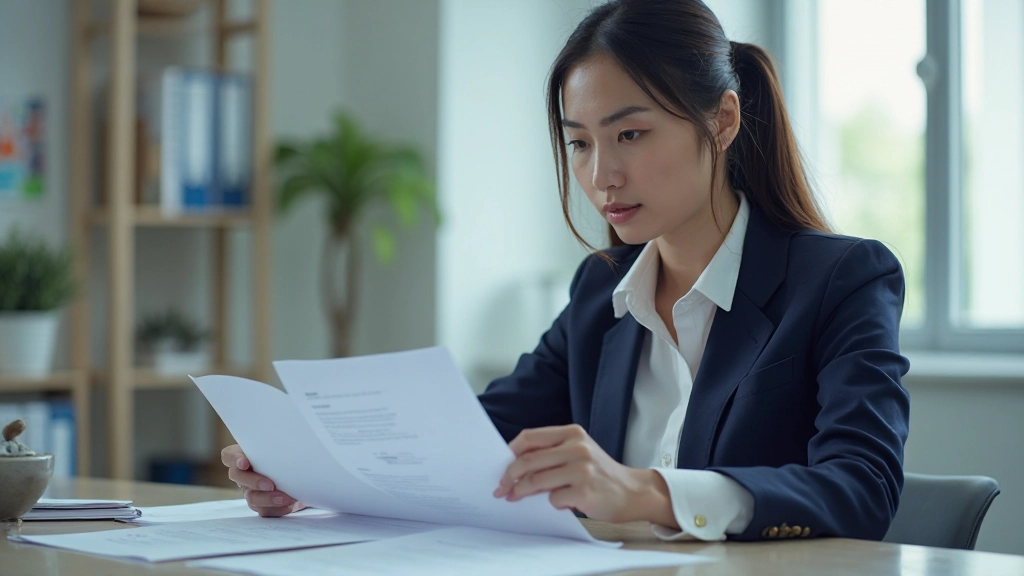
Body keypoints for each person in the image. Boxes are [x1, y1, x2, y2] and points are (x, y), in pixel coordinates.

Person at [222, 0, 910, 542]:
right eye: (579, 143)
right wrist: (319, 475)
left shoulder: (842, 279)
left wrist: (646, 493)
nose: (600, 175)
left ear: (723, 121)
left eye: (630, 135)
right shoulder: (598, 291)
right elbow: (471, 441)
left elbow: (862, 486)